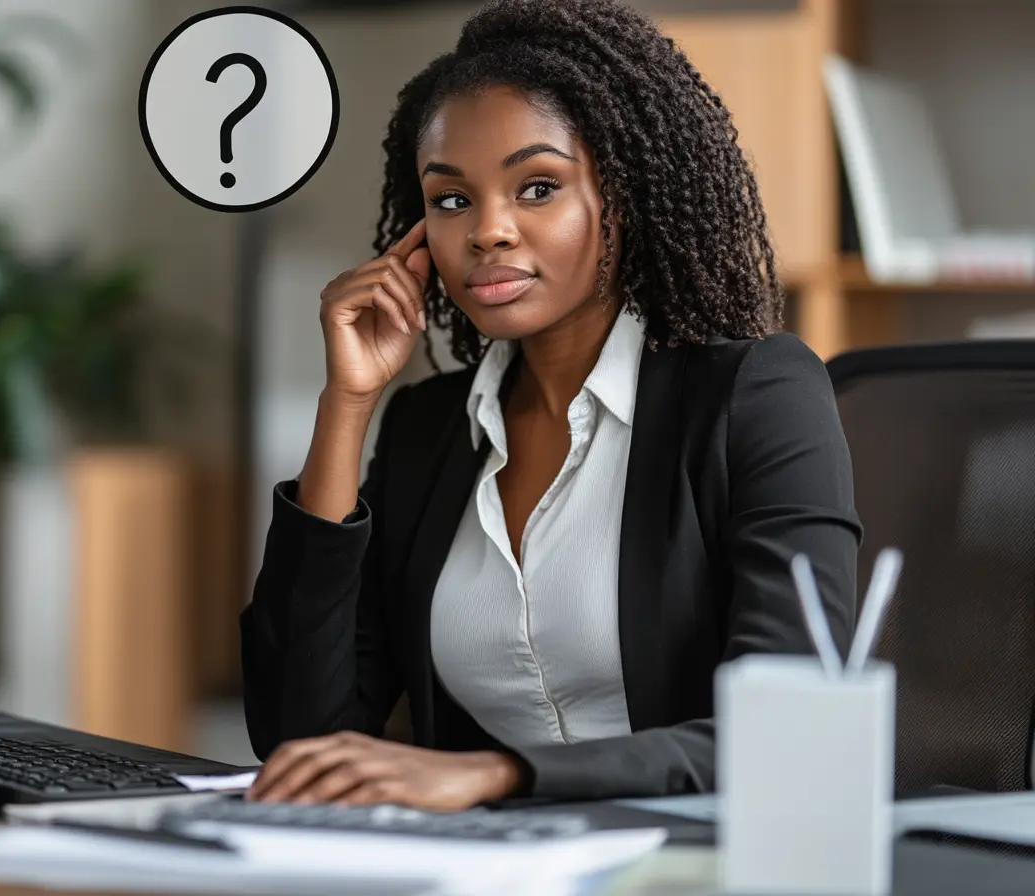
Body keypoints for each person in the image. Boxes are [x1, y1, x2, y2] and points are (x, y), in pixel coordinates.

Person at [239, 0, 861, 811]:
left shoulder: (758, 395)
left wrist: (498, 775)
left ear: (624, 196)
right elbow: (299, 738)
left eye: (538, 187)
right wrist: (347, 405)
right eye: (452, 200)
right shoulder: (430, 430)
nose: (487, 231)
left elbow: (792, 726)